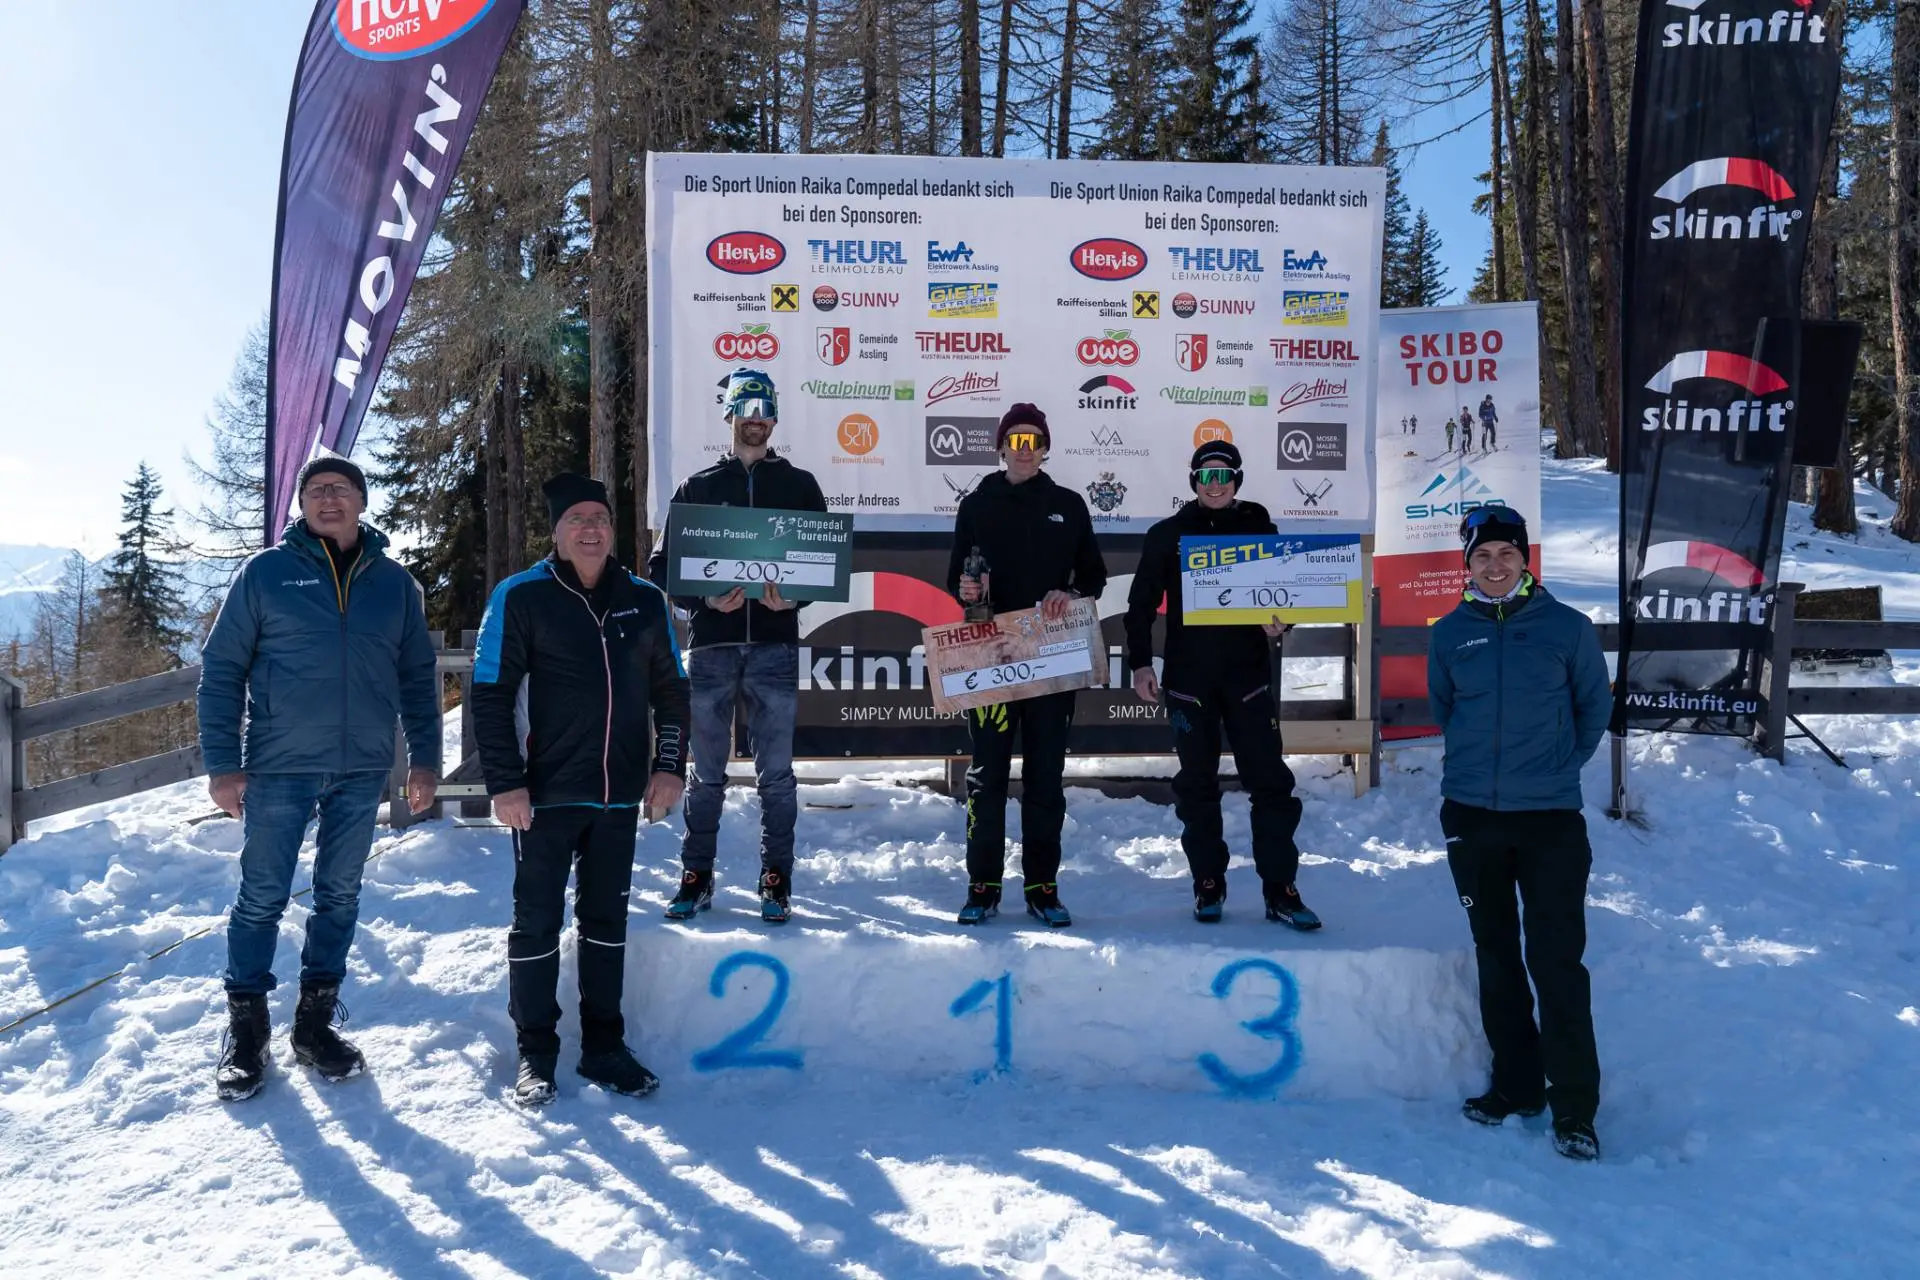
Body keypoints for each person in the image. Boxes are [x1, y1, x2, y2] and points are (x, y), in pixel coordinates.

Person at [198, 455, 441, 1103]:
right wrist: (223, 764)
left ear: (361, 501)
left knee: (340, 894)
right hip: (279, 764)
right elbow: (222, 670)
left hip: (363, 766)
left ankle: (314, 1024)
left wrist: (425, 758)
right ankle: (246, 1031)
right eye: (315, 491)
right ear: (301, 505)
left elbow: (418, 677)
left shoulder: (395, 585)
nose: (328, 499)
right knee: (262, 895)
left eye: (340, 489)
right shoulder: (266, 574)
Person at [473, 473, 690, 1108]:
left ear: (612, 530)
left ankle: (604, 1047)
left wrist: (669, 766)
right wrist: (506, 783)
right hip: (542, 797)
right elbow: (489, 694)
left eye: (599, 518)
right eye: (577, 519)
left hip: (618, 796)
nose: (590, 529)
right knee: (536, 923)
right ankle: (536, 1052)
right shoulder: (521, 596)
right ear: (557, 532)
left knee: (605, 921)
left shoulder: (644, 600)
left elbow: (672, 691)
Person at [1427, 507, 1611, 1162]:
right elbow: (1445, 707)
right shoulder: (1450, 633)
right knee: (1496, 953)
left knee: (1556, 962)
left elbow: (1594, 707)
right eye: (1482, 555)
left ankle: (1575, 1108)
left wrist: (1556, 768)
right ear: (1467, 564)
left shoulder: (1568, 628)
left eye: (1506, 553)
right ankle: (1517, 1086)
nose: (1495, 565)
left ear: (1525, 560)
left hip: (1550, 820)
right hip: (1472, 816)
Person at [647, 368, 826, 926]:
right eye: (746, 410)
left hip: (774, 647)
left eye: (764, 411)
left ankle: (776, 879)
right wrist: (702, 601)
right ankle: (696, 875)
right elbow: (661, 567)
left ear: (774, 418)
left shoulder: (800, 486)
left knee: (777, 775)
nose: (755, 420)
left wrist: (792, 599)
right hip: (712, 648)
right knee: (706, 774)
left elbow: (822, 563)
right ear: (729, 415)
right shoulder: (697, 487)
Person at [1124, 442, 1320, 928]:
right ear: (1194, 481)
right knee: (1197, 785)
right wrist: (1141, 664)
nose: (1216, 485)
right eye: (1207, 476)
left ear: (1237, 480)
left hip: (1248, 680)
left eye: (1225, 475)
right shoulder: (1167, 534)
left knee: (1271, 783)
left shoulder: (1259, 529)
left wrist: (1282, 622)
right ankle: (1208, 882)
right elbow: (1140, 608)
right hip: (1189, 683)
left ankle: (1281, 888)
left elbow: (1284, 598)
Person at [947, 404, 1108, 927]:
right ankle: (983, 886)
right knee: (987, 776)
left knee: (1045, 776)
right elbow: (955, 579)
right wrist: (967, 590)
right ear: (1001, 447)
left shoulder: (1068, 504)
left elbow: (1094, 576)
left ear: (1045, 448)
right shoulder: (976, 504)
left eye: (1033, 440)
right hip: (991, 655)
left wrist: (1071, 592)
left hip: (1051, 658)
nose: (1024, 449)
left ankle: (1043, 887)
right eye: (1015, 440)